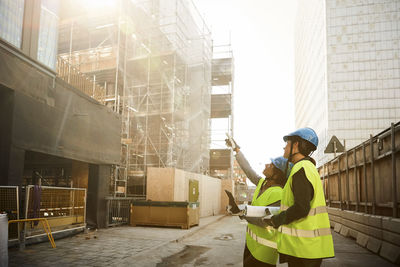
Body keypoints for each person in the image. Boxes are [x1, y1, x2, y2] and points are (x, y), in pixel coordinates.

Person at [268, 128, 334, 267]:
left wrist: (277, 220)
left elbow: (302, 207)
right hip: (306, 249)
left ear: (296, 144)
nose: (284, 147)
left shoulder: (301, 169)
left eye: (287, 143)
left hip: (304, 250)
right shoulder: (306, 168)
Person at [226, 138, 292, 267]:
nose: (267, 165)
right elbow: (248, 169)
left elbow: (266, 220)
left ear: (277, 175)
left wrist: (242, 212)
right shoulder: (262, 183)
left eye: (271, 165)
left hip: (265, 252)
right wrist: (237, 150)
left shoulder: (279, 193)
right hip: (251, 246)